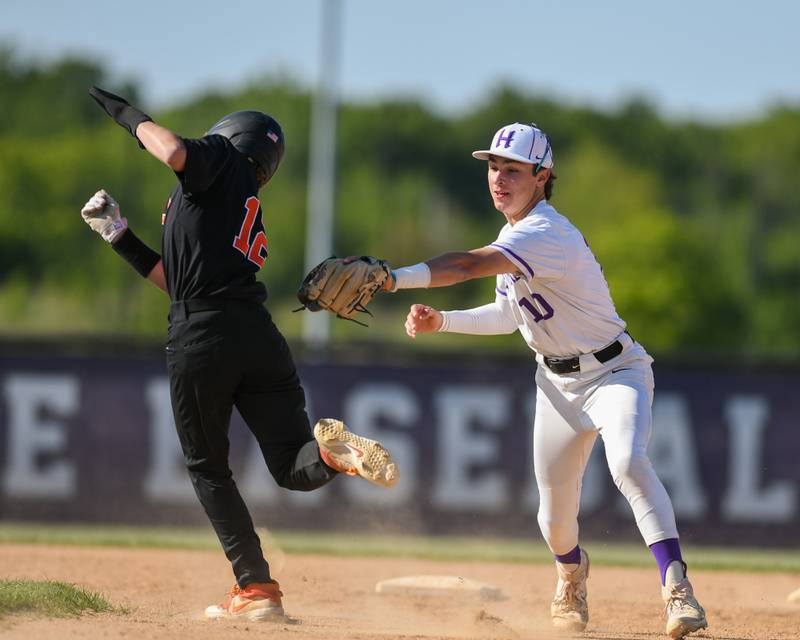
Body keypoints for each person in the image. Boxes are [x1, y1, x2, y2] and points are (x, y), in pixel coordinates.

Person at [79, 87, 398, 621]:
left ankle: (255, 588)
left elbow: (174, 150)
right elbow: (178, 280)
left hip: (203, 336)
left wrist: (124, 113)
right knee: (293, 465)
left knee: (207, 467)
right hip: (256, 333)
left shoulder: (222, 163)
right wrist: (119, 235)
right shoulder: (228, 195)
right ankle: (330, 454)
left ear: (230, 136)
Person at [385, 123, 707, 639]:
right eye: (493, 167)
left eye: (512, 169)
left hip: (614, 372)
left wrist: (393, 277)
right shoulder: (514, 237)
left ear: (542, 176)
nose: (498, 178)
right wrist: (442, 320)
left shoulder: (546, 232)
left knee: (627, 461)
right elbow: (509, 314)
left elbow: (466, 264)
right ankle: (571, 576)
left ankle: (677, 589)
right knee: (554, 520)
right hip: (555, 385)